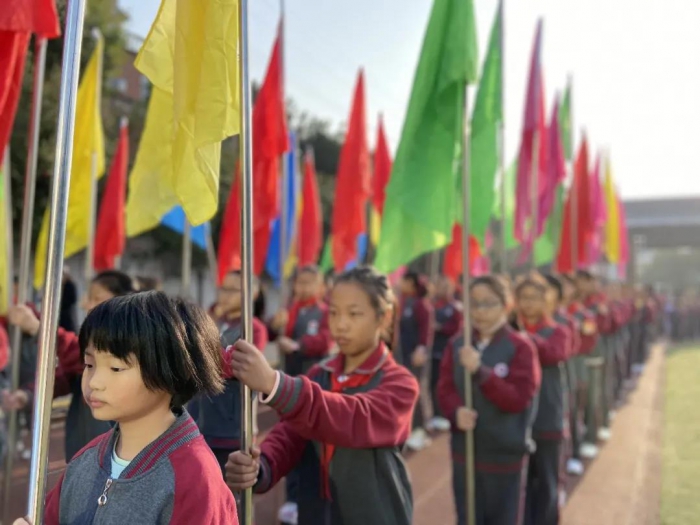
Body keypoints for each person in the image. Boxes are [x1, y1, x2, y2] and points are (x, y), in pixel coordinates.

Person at [12, 292, 238, 525]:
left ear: (171, 371)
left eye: (116, 368)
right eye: (89, 364)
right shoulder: (86, 459)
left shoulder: (193, 477)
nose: (94, 382)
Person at [225, 266, 418, 525]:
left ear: (383, 317)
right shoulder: (320, 374)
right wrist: (261, 467)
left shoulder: (399, 384)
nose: (341, 324)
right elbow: (290, 434)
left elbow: (351, 418)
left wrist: (275, 384)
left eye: (354, 314)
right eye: (334, 312)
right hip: (316, 513)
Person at [438, 275, 541, 525]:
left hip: (503, 457)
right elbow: (444, 388)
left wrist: (481, 372)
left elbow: (518, 399)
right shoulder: (458, 344)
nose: (480, 311)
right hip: (466, 453)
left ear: (506, 304)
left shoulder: (521, 347)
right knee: (468, 517)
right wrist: (455, 411)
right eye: (474, 303)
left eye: (488, 303)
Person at [4, 270, 135, 460]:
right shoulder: (91, 341)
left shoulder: (131, 346)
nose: (85, 305)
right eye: (88, 297)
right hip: (82, 451)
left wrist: (39, 329)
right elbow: (66, 377)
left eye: (96, 298)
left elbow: (78, 354)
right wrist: (28, 395)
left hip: (111, 454)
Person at [194, 270, 269, 474]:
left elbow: (238, 364)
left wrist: (200, 352)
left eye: (232, 290)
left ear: (252, 293)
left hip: (233, 429)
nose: (224, 295)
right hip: (202, 422)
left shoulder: (254, 328)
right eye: (223, 289)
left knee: (230, 487)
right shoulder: (212, 322)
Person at [275, 265, 334, 524]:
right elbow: (275, 334)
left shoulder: (324, 312)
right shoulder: (290, 311)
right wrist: (277, 327)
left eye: (310, 282)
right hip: (290, 385)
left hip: (314, 388)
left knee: (311, 445)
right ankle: (291, 497)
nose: (304, 287)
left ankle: (313, 498)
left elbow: (325, 340)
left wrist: (298, 345)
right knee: (289, 440)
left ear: (321, 287)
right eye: (300, 282)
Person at [516, 276, 570, 525]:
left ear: (545, 301)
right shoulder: (509, 333)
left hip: (547, 416)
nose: (529, 303)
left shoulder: (558, 331)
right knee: (522, 485)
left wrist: (524, 338)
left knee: (547, 481)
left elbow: (553, 353)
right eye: (523, 298)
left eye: (535, 298)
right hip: (516, 419)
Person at [398, 271, 435, 451]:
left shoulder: (422, 305)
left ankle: (422, 428)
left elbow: (426, 331)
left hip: (417, 356)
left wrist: (421, 349)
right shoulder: (405, 302)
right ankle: (410, 427)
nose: (400, 283)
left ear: (411, 282)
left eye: (403, 281)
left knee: (417, 389)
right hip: (404, 355)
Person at [428, 275, 462, 432]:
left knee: (448, 384)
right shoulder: (433, 306)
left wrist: (441, 328)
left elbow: (458, 329)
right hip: (433, 352)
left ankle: (447, 415)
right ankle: (435, 415)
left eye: (445, 286)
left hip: (448, 353)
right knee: (433, 383)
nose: (442, 290)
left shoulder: (456, 308)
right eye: (440, 286)